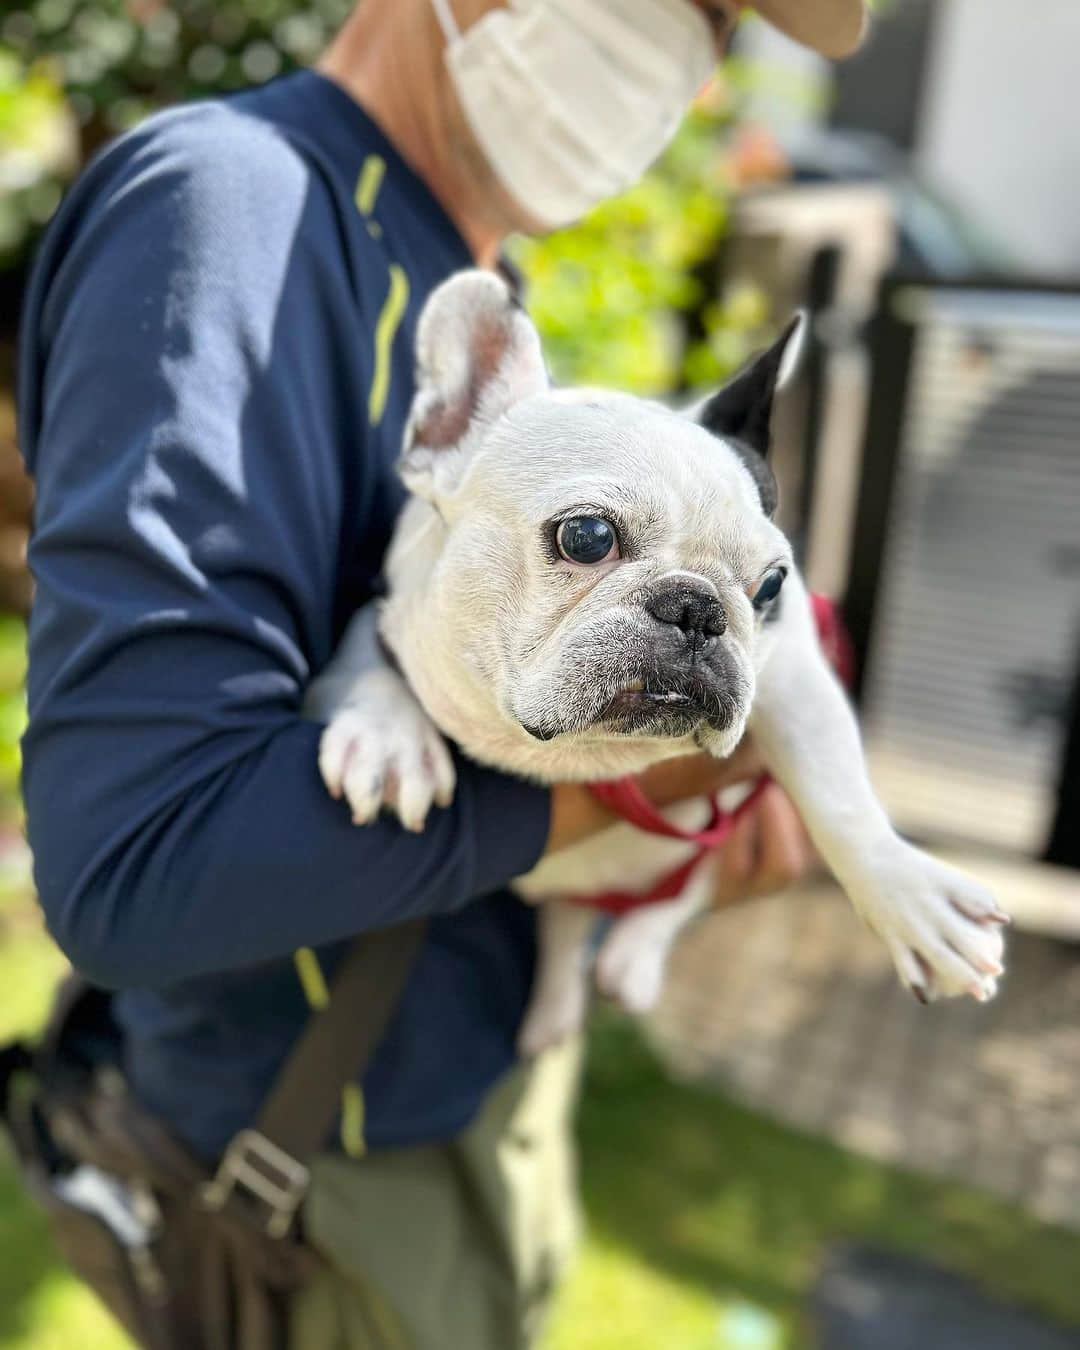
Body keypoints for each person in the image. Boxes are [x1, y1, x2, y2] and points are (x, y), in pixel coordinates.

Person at [16, 0, 867, 1345]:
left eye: (718, 30)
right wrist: (636, 790)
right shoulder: (233, 212)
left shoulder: (475, 288)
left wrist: (715, 802)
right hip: (320, 1177)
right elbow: (137, 860)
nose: (679, 60)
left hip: (484, 1088)